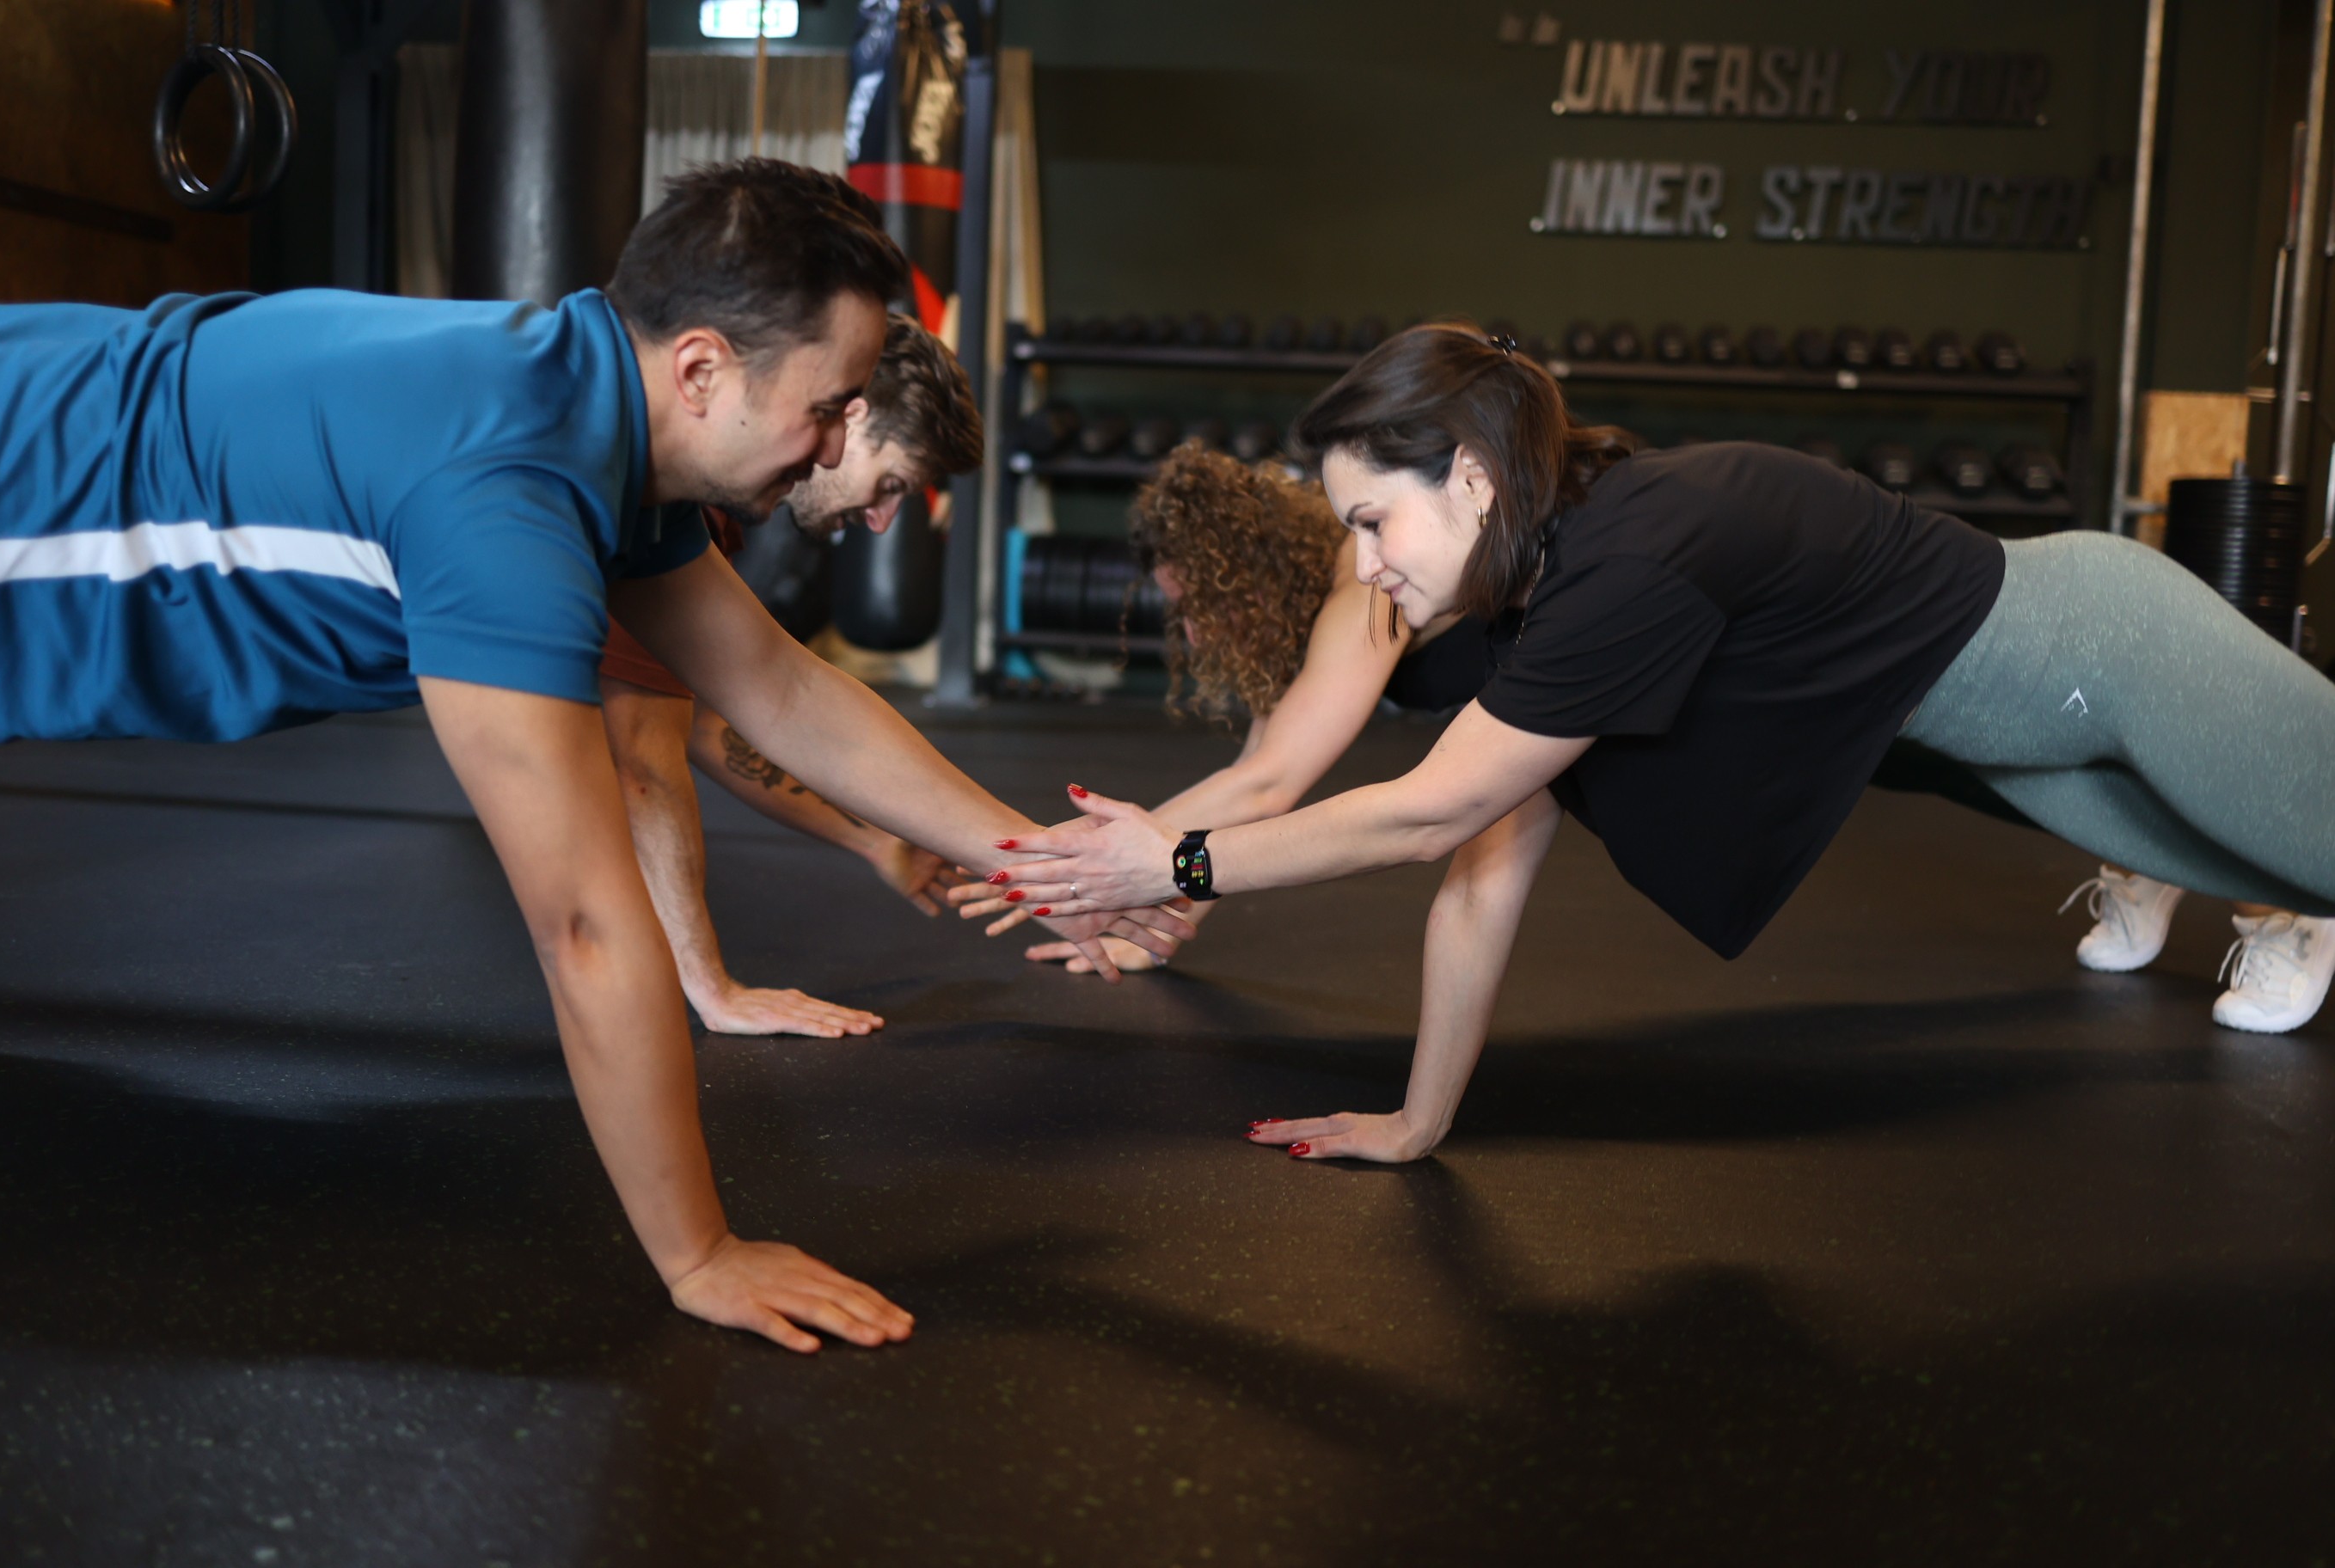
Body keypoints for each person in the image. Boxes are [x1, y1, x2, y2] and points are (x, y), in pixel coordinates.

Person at [0, 157, 1190, 1351]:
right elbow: (585, 926)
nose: (834, 452)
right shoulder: (504, 498)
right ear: (702, 370)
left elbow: (780, 688)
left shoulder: (601, 416)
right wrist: (700, 1252)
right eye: (827, 408)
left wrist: (1043, 862)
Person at [975, 324, 2335, 1165]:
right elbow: (1481, 865)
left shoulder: (1620, 566)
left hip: (2110, 652)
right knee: (2267, 861)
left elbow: (1420, 815)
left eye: (1374, 524)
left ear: (1470, 477)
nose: (1365, 567)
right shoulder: (1532, 601)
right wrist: (1418, 1119)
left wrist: (1177, 868)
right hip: (2009, 729)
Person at [963, 444, 1498, 974]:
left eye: (1200, 605)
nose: (1194, 634)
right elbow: (1249, 788)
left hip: (1534, 693)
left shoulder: (1368, 586)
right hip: (1507, 708)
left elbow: (1268, 784)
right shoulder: (1304, 615)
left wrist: (1079, 859)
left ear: (1245, 577)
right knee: (1478, 886)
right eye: (1182, 613)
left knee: (1479, 887)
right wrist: (1158, 931)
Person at [598, 313, 984, 1038]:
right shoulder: (674, 481)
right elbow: (642, 759)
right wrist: (712, 990)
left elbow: (702, 725)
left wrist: (877, 840)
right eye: (891, 483)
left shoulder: (704, 502)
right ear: (848, 416)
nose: (882, 522)